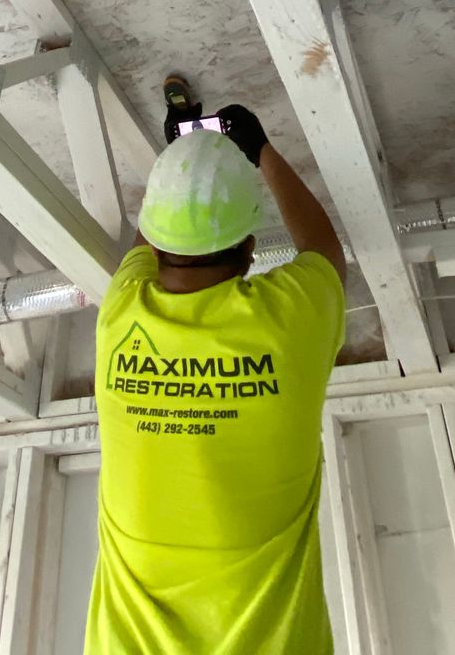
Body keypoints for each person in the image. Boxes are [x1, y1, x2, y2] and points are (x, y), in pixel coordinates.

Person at [85, 97, 347, 654]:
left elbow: (327, 257)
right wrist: (253, 149)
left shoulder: (121, 317)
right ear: (251, 248)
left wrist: (184, 168)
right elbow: (320, 250)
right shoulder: (119, 316)